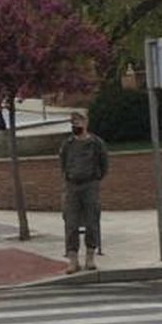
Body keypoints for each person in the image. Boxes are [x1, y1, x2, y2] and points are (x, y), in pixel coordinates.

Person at [59, 110, 109, 274]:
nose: (75, 124)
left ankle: (90, 257)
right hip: (72, 186)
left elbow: (104, 164)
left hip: (90, 185)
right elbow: (63, 163)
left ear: (86, 122)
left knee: (91, 221)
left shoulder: (96, 143)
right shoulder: (67, 144)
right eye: (73, 121)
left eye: (79, 120)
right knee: (71, 223)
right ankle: (73, 260)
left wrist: (95, 179)